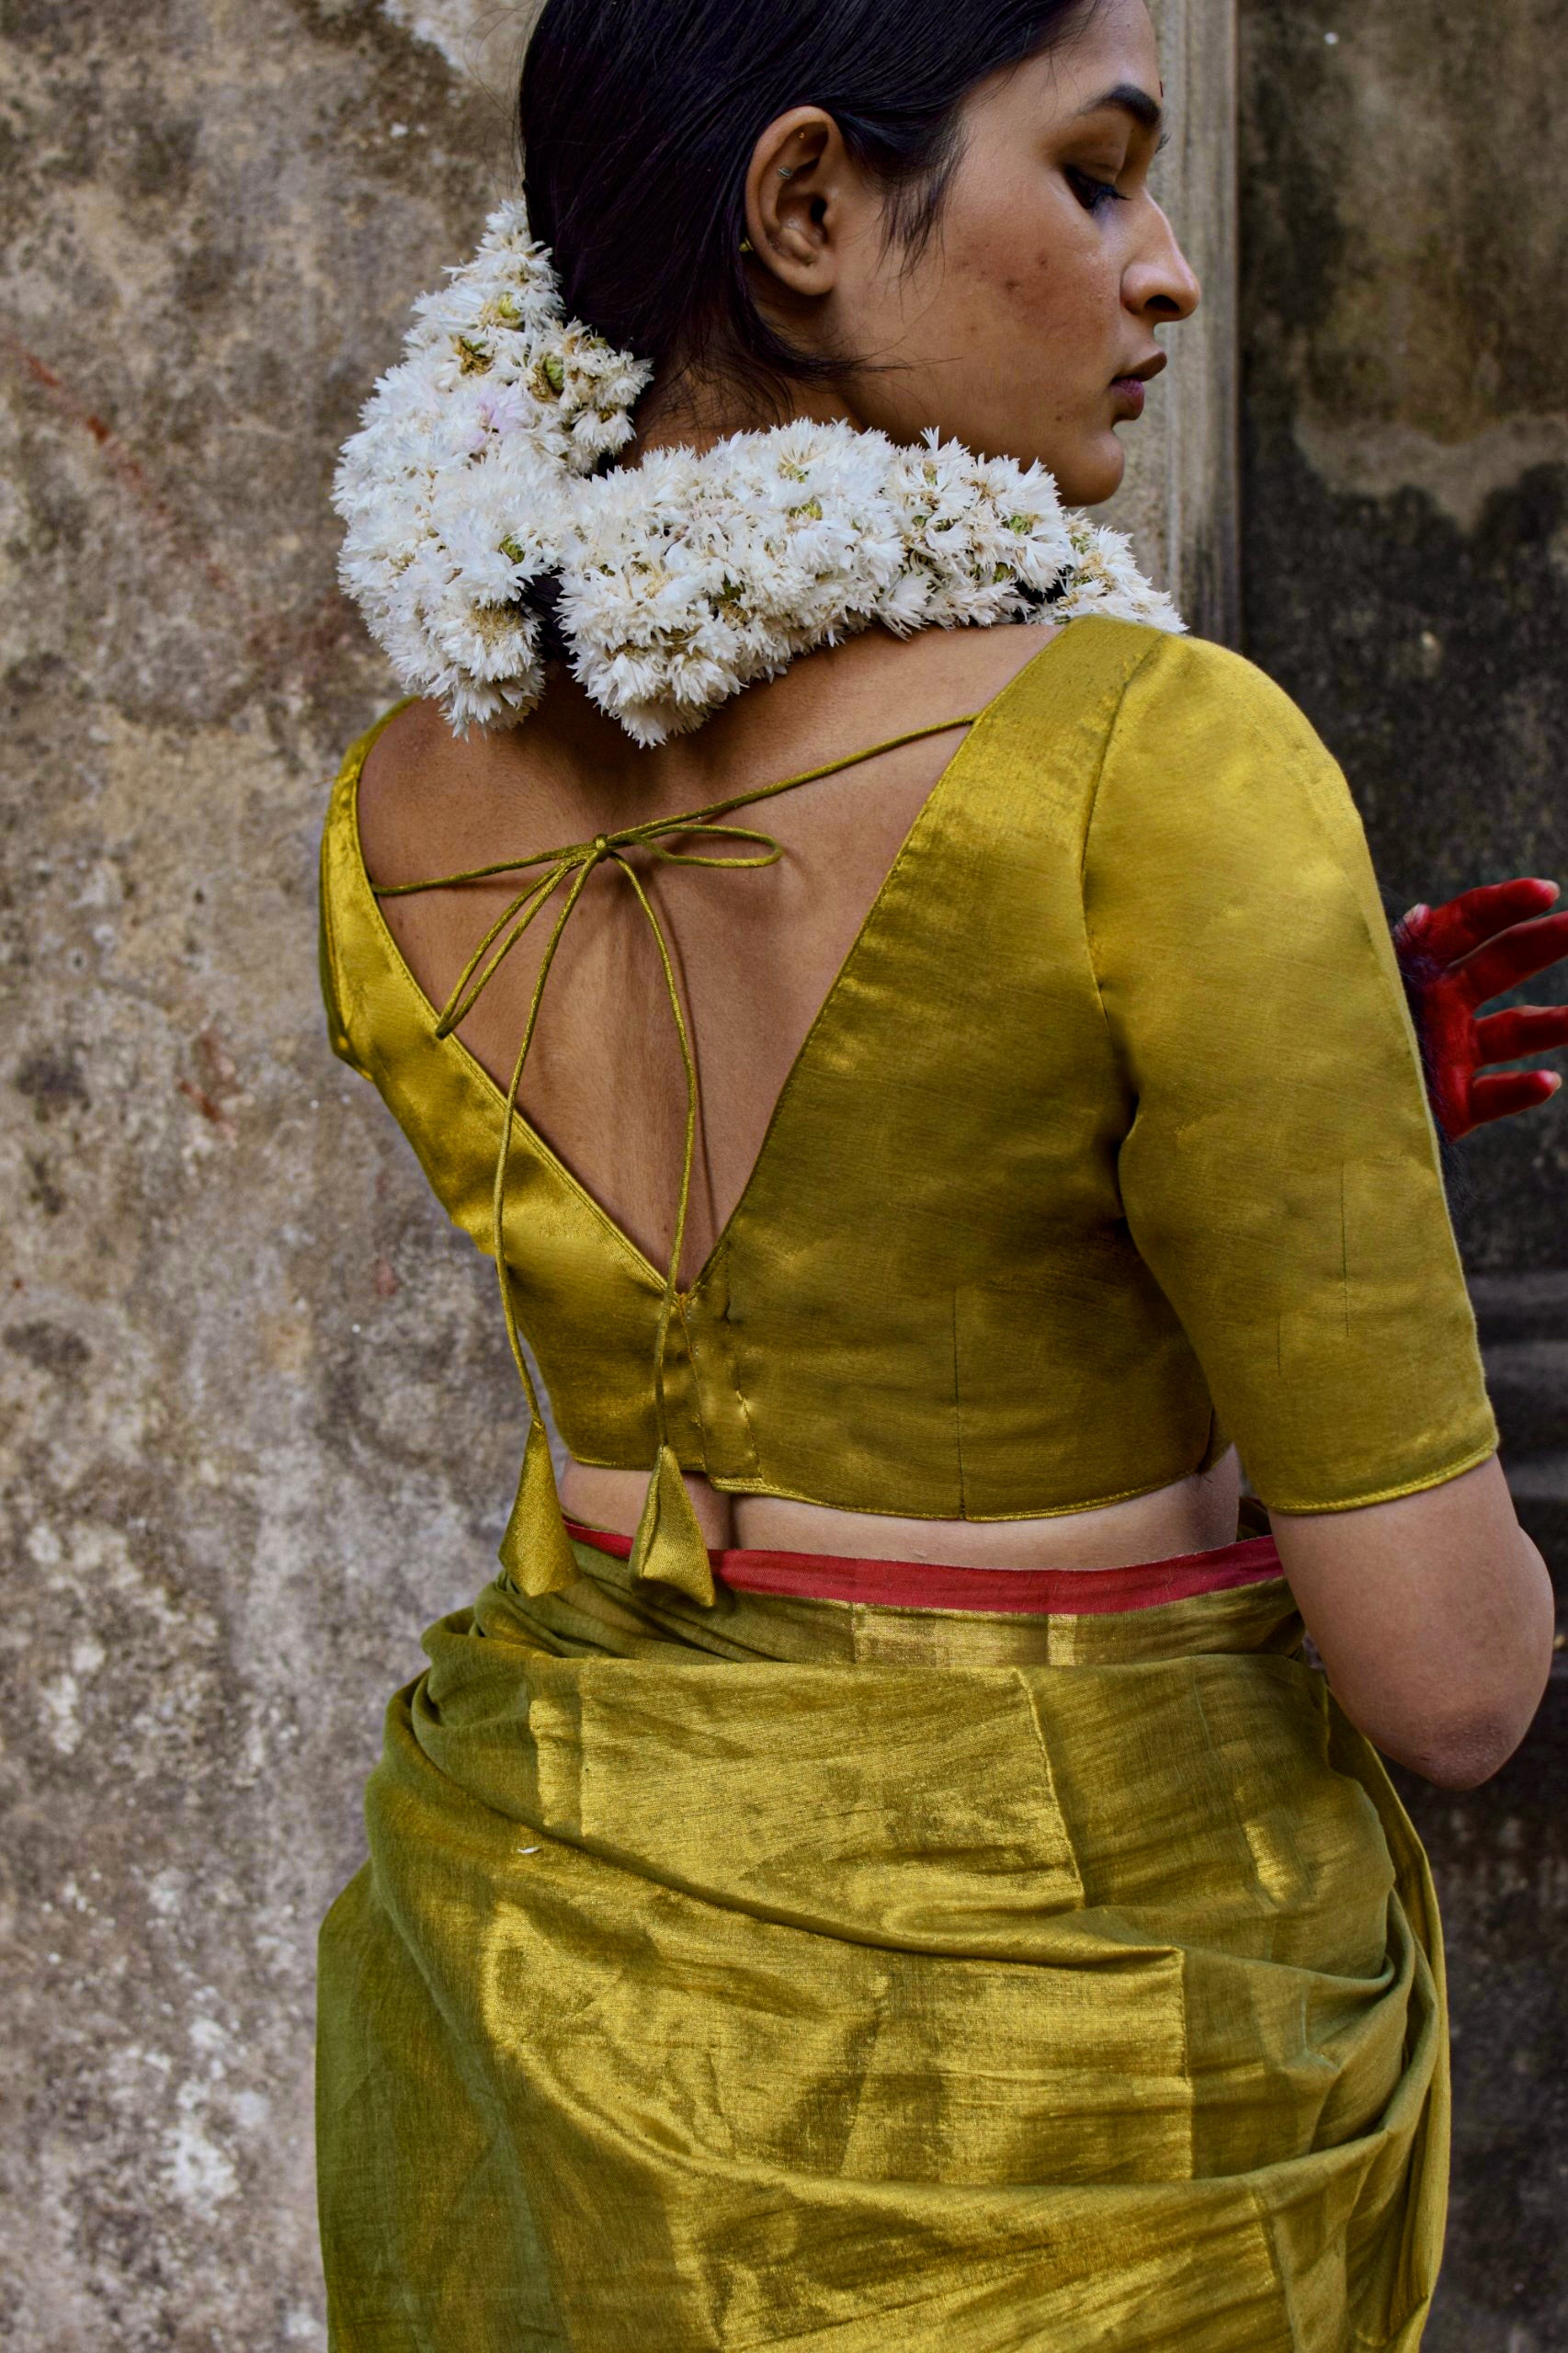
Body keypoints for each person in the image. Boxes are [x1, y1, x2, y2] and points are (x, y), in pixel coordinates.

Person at [313, 0, 1565, 2344]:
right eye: (1094, 174)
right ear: (803, 212)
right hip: (1062, 2075)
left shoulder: (404, 790)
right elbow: (1454, 1682)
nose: (1164, 268)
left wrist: (1266, 1079)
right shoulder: (1160, 762)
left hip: (524, 1989)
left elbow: (779, 1321)